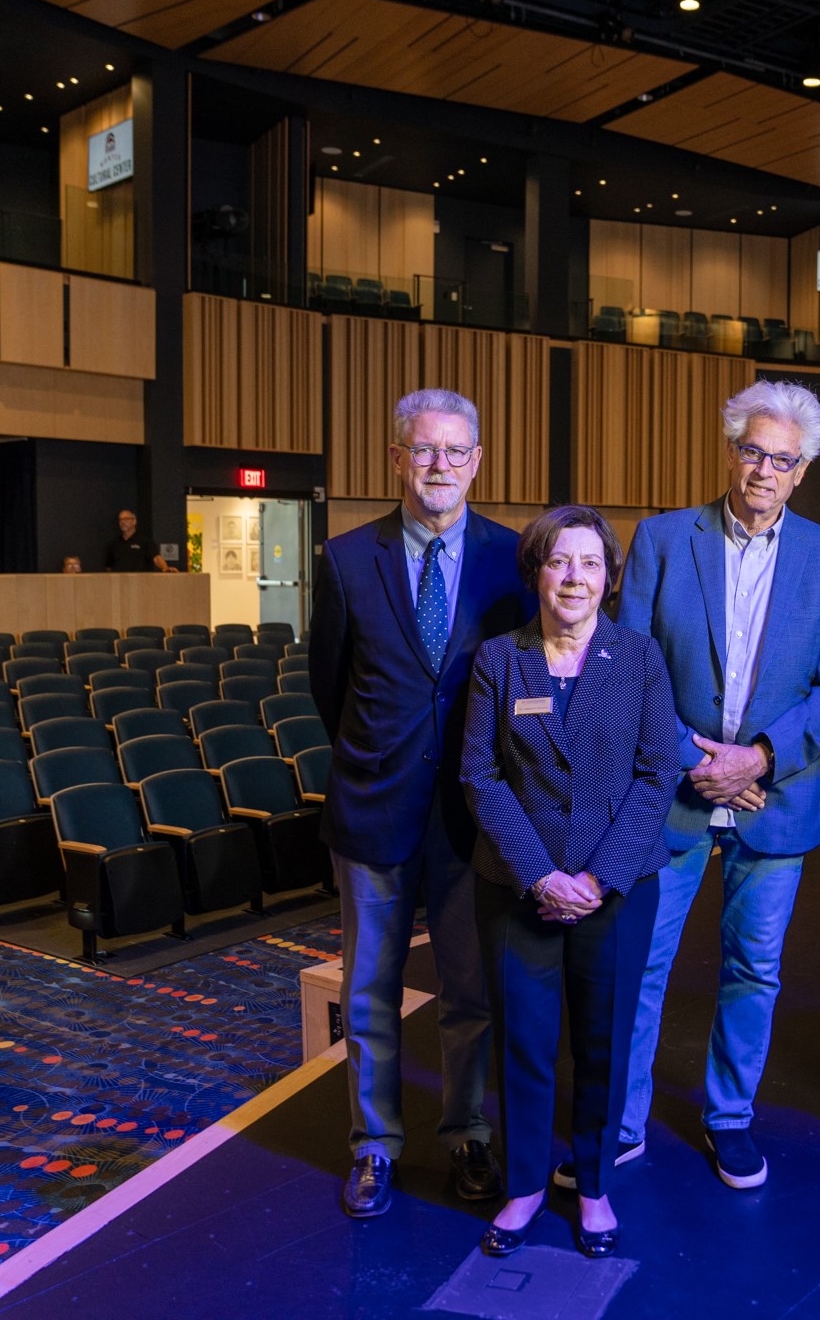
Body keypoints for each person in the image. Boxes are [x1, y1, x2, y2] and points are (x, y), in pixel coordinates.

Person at [615, 379, 820, 1190]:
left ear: (802, 470)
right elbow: (631, 668)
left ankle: (729, 1116)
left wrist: (754, 758)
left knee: (754, 966)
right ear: (731, 450)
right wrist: (697, 761)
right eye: (752, 450)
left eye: (782, 459)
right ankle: (620, 1118)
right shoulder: (660, 539)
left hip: (773, 797)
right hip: (673, 792)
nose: (763, 469)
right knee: (643, 960)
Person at [309, 388, 534, 1219]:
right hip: (373, 807)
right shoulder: (344, 557)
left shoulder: (515, 559)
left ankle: (466, 1133)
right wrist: (378, 757)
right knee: (369, 987)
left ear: (477, 460)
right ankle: (375, 1145)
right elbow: (327, 686)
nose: (439, 465)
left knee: (470, 991)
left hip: (474, 817)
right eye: (423, 450)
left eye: (455, 451)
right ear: (397, 458)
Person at [461, 506, 681, 1260]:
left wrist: (597, 875)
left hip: (615, 891)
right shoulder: (499, 659)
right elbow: (481, 778)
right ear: (537, 572)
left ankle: (592, 1186)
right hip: (519, 888)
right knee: (522, 1039)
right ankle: (524, 1184)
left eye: (590, 563)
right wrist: (542, 875)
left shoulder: (641, 657)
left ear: (610, 577)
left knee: (603, 1039)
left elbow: (659, 774)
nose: (575, 578)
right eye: (559, 561)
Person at [104, 509, 171, 572]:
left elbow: (156, 558)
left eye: (126, 519)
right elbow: (109, 567)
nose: (123, 522)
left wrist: (165, 567)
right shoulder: (114, 544)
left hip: (140, 582)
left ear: (134, 521)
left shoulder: (145, 541)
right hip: (119, 583)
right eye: (120, 519)